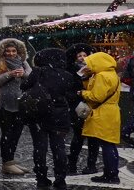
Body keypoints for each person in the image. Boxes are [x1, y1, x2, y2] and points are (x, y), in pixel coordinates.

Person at [19, 48, 80, 189]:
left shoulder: (38, 72)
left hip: (39, 115)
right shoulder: (67, 75)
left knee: (40, 147)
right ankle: (60, 179)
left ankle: (41, 178)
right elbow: (72, 95)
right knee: (59, 148)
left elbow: (24, 86)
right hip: (60, 116)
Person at [0, 38, 31, 176]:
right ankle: (6, 163)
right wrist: (8, 75)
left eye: (13, 51)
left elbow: (32, 77)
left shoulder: (23, 63)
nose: (11, 53)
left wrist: (23, 74)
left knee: (17, 133)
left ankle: (11, 161)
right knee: (7, 133)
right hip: (2, 105)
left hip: (20, 103)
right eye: (8, 51)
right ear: (2, 52)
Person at [80, 51, 122, 184]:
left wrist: (82, 93)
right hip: (110, 112)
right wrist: (86, 77)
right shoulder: (110, 74)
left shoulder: (102, 76)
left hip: (103, 113)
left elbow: (96, 96)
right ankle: (111, 172)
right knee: (110, 144)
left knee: (107, 145)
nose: (87, 65)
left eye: (89, 62)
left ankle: (111, 175)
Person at [65, 44, 99, 175]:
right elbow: (69, 91)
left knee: (93, 138)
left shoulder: (96, 71)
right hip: (78, 108)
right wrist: (78, 96)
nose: (82, 58)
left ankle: (91, 164)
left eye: (85, 55)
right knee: (78, 137)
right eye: (79, 55)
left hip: (94, 107)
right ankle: (72, 164)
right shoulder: (71, 72)